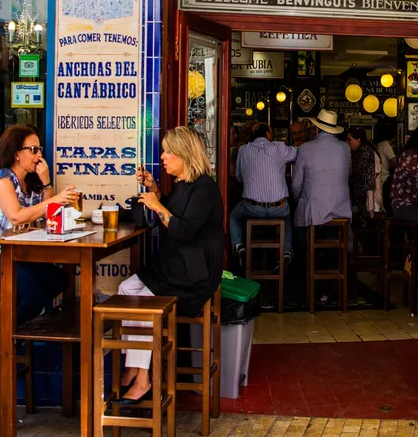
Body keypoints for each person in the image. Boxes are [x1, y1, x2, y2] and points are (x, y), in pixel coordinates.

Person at [118, 127, 225, 403]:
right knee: (126, 289)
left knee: (142, 304)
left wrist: (156, 206)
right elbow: (175, 213)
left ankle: (143, 379)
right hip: (174, 266)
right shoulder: (182, 183)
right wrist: (155, 190)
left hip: (194, 275)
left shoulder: (205, 188)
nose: (163, 156)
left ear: (184, 154)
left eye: (168, 152)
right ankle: (133, 367)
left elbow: (183, 229)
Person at [0, 125, 76, 324]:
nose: (39, 156)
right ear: (16, 154)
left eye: (40, 149)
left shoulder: (30, 182)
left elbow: (47, 217)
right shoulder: (2, 180)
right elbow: (16, 216)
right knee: (34, 293)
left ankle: (14, 324)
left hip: (11, 254)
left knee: (58, 279)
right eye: (33, 150)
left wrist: (47, 182)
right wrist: (57, 199)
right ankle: (5, 337)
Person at [229, 122, 297, 266]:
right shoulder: (279, 147)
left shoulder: (243, 150)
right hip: (279, 208)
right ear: (268, 134)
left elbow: (239, 177)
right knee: (287, 218)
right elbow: (297, 154)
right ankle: (286, 251)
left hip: (252, 208)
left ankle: (239, 246)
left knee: (234, 216)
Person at [291, 110, 352, 239]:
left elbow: (296, 185)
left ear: (317, 129)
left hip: (314, 210)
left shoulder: (305, 148)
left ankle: (309, 251)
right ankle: (330, 250)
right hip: (341, 207)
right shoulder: (345, 148)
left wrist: (298, 200)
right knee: (332, 233)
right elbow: (348, 174)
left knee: (298, 225)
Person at [347, 128, 381, 216]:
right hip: (363, 196)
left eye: (349, 140)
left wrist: (370, 204)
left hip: (364, 197)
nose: (348, 142)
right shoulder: (362, 151)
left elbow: (368, 177)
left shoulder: (364, 152)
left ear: (358, 141)